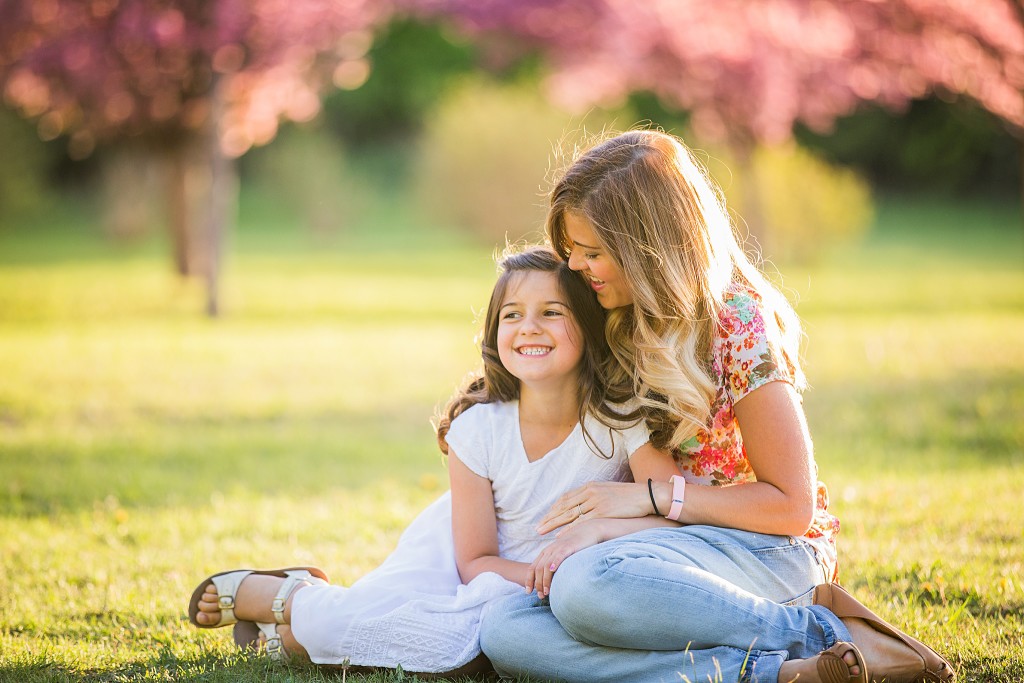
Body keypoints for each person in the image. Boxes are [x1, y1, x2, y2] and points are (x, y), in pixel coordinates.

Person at [479, 131, 956, 683]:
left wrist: (646, 502)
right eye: (572, 252)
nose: (579, 268)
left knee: (585, 588)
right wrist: (480, 396)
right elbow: (544, 365)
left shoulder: (736, 322)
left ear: (647, 246)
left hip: (766, 550)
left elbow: (790, 506)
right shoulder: (617, 318)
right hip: (662, 550)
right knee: (505, 627)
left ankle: (828, 631)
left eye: (594, 253)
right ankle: (776, 672)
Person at [185, 246, 682, 674]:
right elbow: (474, 562)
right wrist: (538, 576)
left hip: (546, 587)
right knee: (446, 641)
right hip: (461, 558)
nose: (529, 327)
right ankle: (287, 598)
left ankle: (298, 638)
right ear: (494, 331)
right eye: (512, 314)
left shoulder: (623, 419)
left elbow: (673, 517)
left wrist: (574, 560)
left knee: (464, 644)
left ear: (590, 328)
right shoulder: (480, 429)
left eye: (552, 312)